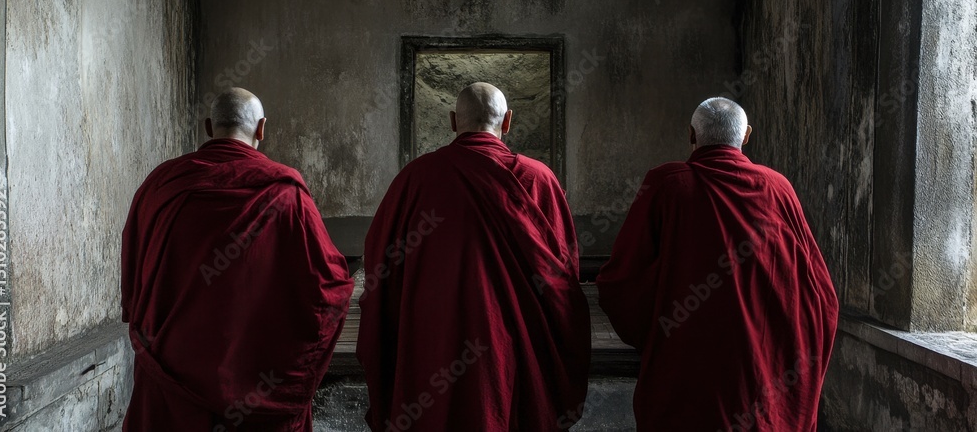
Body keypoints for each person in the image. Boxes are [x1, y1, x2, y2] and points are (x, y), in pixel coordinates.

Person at [357, 82, 591, 431]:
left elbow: (380, 261)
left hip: (435, 344)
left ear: (453, 121)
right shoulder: (538, 179)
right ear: (508, 121)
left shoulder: (416, 178)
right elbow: (564, 277)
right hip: (513, 350)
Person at [597, 97, 839, 431]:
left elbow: (622, 279)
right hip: (760, 371)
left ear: (691, 134)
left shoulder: (667, 183)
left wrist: (654, 334)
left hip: (686, 368)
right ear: (747, 135)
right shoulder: (777, 187)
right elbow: (818, 290)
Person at [120, 88, 354, 431]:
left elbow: (133, 263)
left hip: (171, 371)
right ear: (261, 128)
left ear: (208, 127)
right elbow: (327, 285)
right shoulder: (286, 193)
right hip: (252, 375)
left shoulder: (161, 185)